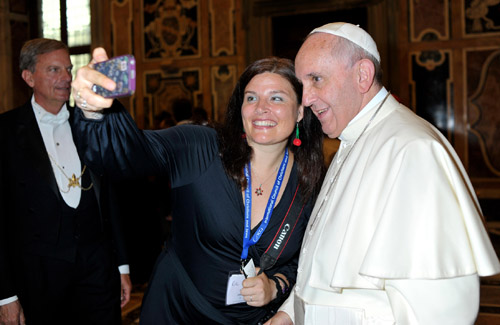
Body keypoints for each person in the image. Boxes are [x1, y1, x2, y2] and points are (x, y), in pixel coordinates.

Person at [266, 22, 500, 325]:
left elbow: (440, 309)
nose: (306, 98)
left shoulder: (411, 150)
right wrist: (289, 313)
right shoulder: (351, 141)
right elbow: (324, 269)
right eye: (302, 84)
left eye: (317, 79)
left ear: (363, 75)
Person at [69, 51, 325, 324]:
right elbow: (128, 154)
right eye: (251, 98)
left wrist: (276, 286)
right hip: (178, 311)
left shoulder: (309, 180)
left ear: (299, 111)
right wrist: (92, 110)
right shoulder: (202, 148)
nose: (261, 107)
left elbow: (307, 261)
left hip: (250, 319)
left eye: (276, 98)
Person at [0, 38, 131, 325]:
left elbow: (109, 199)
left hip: (97, 270)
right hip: (39, 276)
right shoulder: (5, 132)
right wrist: (6, 295)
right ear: (28, 76)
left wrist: (122, 265)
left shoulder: (90, 122)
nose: (66, 78)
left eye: (69, 70)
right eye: (54, 70)